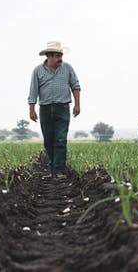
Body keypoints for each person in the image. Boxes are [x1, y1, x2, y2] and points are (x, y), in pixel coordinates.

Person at [28, 41, 81, 179]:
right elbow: (33, 90)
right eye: (57, 55)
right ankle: (54, 168)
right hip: (45, 109)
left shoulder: (67, 68)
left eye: (61, 55)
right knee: (48, 141)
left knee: (60, 140)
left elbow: (75, 86)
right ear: (48, 56)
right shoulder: (38, 71)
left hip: (62, 108)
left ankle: (60, 171)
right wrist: (31, 109)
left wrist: (77, 105)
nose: (60, 58)